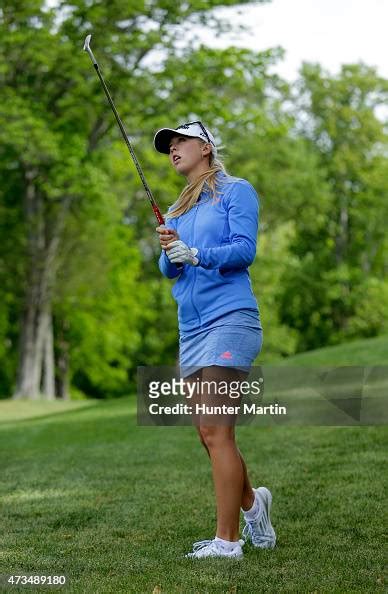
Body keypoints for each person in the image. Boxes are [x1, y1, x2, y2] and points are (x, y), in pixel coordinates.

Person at [154, 121, 276, 559]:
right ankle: (252, 503)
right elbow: (169, 269)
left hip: (231, 318)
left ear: (204, 147)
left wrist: (198, 253)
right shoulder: (176, 207)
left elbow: (245, 250)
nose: (172, 150)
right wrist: (171, 246)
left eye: (180, 141)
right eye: (168, 146)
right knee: (207, 435)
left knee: (215, 428)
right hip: (191, 328)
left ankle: (228, 542)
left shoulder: (235, 191)